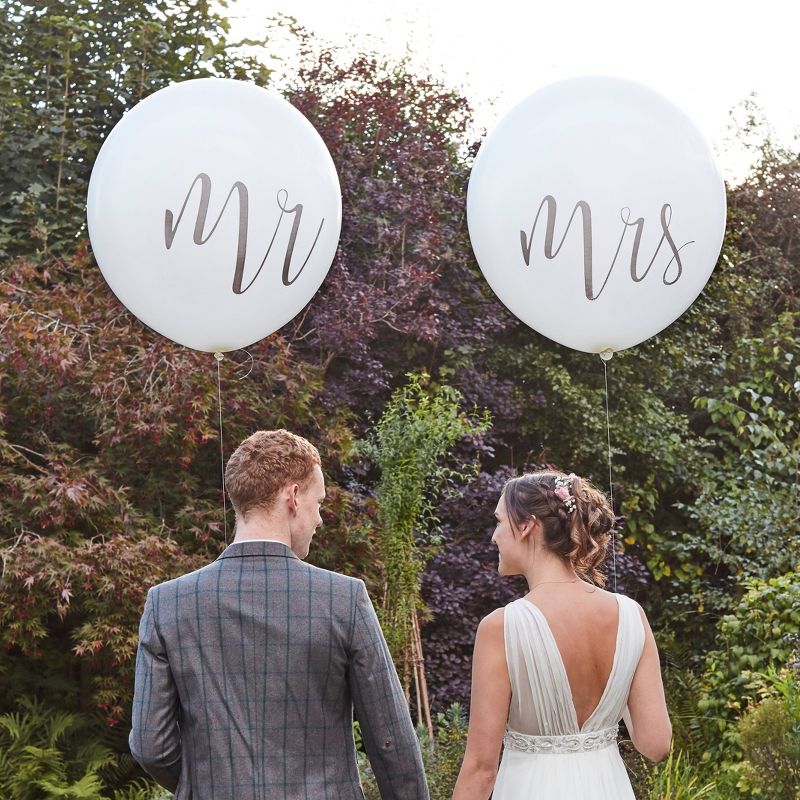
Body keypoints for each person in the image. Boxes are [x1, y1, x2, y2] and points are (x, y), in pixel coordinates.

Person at [129, 429, 428, 800]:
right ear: (293, 495)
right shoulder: (343, 598)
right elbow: (390, 741)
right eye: (318, 503)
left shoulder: (167, 603)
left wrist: (206, 786)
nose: (320, 519)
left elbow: (150, 745)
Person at [452, 471, 671, 800]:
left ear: (527, 525)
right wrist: (615, 682)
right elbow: (655, 744)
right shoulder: (631, 616)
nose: (494, 537)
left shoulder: (502, 627)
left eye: (499, 522)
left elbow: (481, 771)